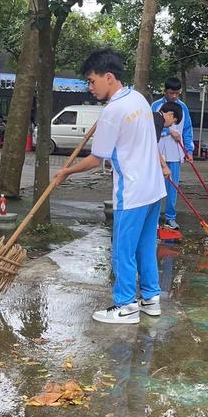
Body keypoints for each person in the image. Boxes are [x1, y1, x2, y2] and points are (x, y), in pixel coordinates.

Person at [54, 48, 166, 324]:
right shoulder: (139, 99)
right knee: (145, 245)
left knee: (123, 250)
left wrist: (66, 172)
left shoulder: (113, 111)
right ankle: (150, 298)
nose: (90, 88)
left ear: (109, 77)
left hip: (132, 191)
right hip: (153, 189)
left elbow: (95, 159)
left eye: (92, 81)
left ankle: (126, 305)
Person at [151, 78, 194, 230]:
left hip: (175, 153)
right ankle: (153, 220)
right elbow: (150, 129)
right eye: (171, 93)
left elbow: (188, 129)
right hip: (158, 153)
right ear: (165, 91)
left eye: (177, 93)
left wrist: (189, 150)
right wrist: (168, 131)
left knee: (173, 188)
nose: (174, 96)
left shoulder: (183, 108)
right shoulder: (156, 106)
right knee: (156, 188)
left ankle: (170, 218)